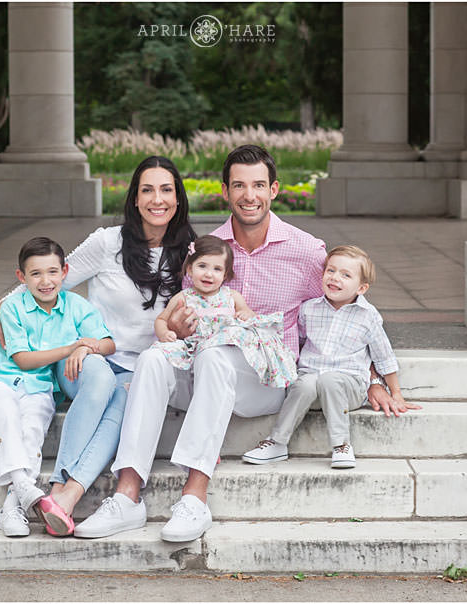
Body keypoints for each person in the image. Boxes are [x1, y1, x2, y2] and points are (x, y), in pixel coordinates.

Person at [75, 144, 412, 543]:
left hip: (264, 381)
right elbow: (186, 314)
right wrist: (175, 329)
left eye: (258, 185)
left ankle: (194, 497)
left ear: (274, 190)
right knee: (152, 358)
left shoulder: (306, 251)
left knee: (216, 357)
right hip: (200, 370)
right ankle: (127, 496)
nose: (249, 195)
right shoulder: (205, 249)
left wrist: (372, 377)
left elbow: (349, 313)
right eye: (239, 185)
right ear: (225, 191)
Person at [0, 156, 197, 536]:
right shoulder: (107, 242)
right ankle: (59, 487)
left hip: (144, 368)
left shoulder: (191, 255)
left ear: (178, 198)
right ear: (135, 198)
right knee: (101, 379)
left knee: (124, 399)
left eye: (166, 190)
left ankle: (63, 497)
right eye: (147, 190)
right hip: (88, 357)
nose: (157, 199)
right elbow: (51, 280)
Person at [0, 236, 114, 538]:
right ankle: (24, 487)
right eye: (36, 274)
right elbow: (23, 360)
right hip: (3, 380)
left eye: (53, 272)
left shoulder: (76, 306)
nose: (45, 281)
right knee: (5, 413)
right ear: (21, 277)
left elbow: (108, 343)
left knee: (32, 431)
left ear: (64, 272)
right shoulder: (13, 307)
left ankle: (13, 504)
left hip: (41, 388)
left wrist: (87, 347)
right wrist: (71, 347)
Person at [242, 245, 420, 469]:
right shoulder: (309, 309)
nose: (335, 278)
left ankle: (341, 445)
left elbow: (384, 356)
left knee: (330, 379)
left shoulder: (368, 316)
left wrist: (396, 393)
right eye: (331, 270)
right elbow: (299, 342)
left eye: (346, 275)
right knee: (304, 382)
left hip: (349, 388)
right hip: (311, 387)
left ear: (362, 288)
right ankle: (277, 443)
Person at [152, 234, 297, 389]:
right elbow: (161, 319)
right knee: (159, 353)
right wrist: (164, 333)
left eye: (217, 269)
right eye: (202, 266)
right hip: (196, 349)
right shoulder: (183, 297)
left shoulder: (231, 296)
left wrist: (246, 313)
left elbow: (249, 314)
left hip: (224, 353)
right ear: (190, 269)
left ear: (225, 275)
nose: (209, 274)